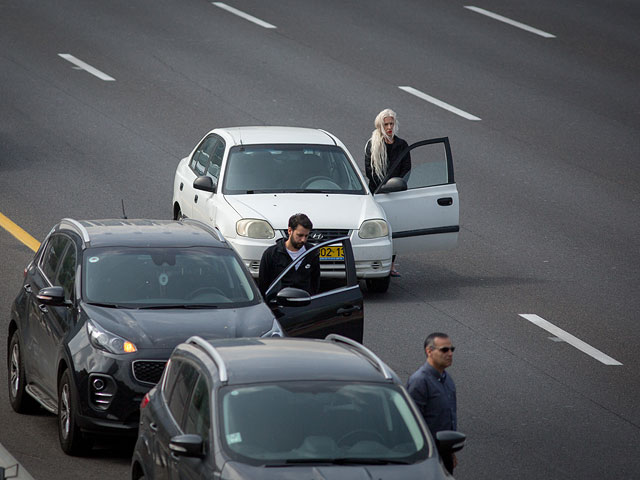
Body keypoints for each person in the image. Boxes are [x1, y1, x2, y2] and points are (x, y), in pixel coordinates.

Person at [363, 108, 411, 277]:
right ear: (380, 125)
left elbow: (406, 169)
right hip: (377, 193)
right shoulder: (372, 144)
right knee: (378, 229)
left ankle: (391, 264)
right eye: (386, 124)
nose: (389, 127)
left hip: (396, 192)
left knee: (394, 228)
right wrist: (382, 188)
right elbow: (370, 171)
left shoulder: (402, 145)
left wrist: (397, 185)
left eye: (392, 123)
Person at [406, 332, 458, 475]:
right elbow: (412, 422)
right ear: (429, 351)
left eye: (451, 349)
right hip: (427, 456)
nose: (450, 353)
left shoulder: (447, 379)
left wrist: (451, 452)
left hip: (444, 452)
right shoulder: (420, 381)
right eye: (444, 350)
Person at [258, 213, 320, 296]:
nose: (303, 240)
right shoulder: (271, 254)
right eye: (300, 235)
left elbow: (315, 283)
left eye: (306, 236)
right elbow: (263, 284)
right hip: (278, 305)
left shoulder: (312, 253)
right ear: (290, 231)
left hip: (305, 304)